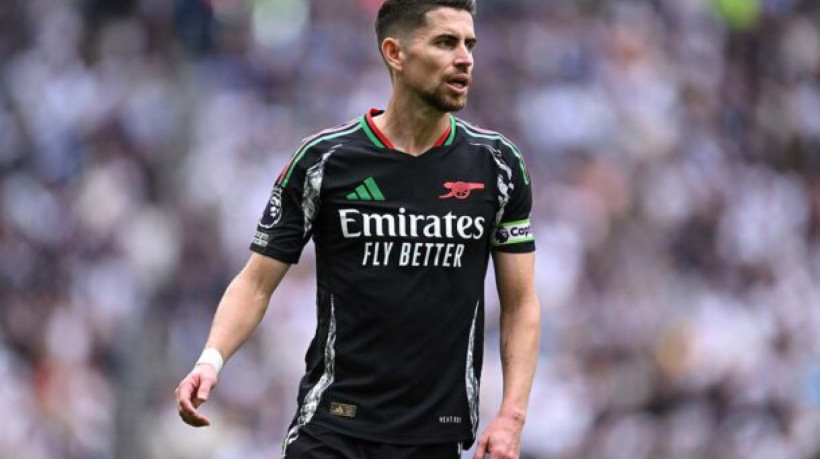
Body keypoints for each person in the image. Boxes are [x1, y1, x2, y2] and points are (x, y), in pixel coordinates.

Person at [174, 0, 541, 457]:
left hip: (434, 436)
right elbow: (256, 283)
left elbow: (521, 305)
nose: (465, 58)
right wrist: (211, 360)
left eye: (470, 44)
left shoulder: (498, 165)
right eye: (446, 42)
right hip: (333, 428)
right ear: (395, 53)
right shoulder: (325, 161)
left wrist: (512, 414)